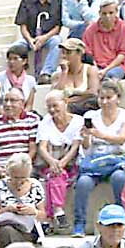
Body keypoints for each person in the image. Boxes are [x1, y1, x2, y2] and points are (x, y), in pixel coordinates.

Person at [75, 80, 125, 236]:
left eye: (109, 97)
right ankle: (79, 224)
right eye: (101, 98)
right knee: (83, 182)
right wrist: (86, 137)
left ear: (118, 98)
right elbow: (87, 147)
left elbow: (122, 138)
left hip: (117, 161)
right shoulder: (90, 116)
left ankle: (122, 218)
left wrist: (99, 134)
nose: (104, 102)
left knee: (119, 178)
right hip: (95, 162)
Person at [37, 90, 83, 235]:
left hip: (71, 162)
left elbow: (75, 146)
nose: (52, 110)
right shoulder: (45, 122)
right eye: (49, 107)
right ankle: (58, 210)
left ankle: (49, 218)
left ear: (66, 102)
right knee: (55, 175)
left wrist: (62, 162)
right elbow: (42, 147)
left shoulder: (78, 121)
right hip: (51, 163)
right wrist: (53, 162)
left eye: (55, 106)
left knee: (55, 175)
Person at [0, 152, 46, 248]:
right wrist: (7, 209)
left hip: (27, 230)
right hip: (2, 227)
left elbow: (43, 215)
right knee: (7, 232)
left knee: (9, 236)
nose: (19, 181)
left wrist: (32, 211)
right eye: (15, 177)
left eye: (23, 178)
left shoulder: (35, 186)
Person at [16, 0, 63, 83]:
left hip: (48, 37)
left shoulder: (58, 1)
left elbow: (58, 26)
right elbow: (22, 25)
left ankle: (46, 73)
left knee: (57, 42)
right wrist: (30, 40)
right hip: (30, 38)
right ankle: (17, 75)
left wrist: (44, 38)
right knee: (16, 47)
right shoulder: (27, 1)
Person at [84, 0, 125, 84]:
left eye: (111, 13)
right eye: (104, 13)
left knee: (109, 77)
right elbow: (88, 53)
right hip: (96, 66)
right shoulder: (91, 29)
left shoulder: (124, 28)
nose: (107, 16)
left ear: (116, 12)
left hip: (117, 66)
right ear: (99, 13)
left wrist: (105, 70)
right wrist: (95, 69)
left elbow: (123, 55)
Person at [0, 44, 39, 117]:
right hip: (1, 116)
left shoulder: (30, 81)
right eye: (9, 59)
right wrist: (7, 115)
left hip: (22, 117)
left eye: (15, 59)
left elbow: (29, 105)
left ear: (24, 61)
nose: (11, 62)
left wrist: (21, 117)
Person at [54, 37, 100, 113]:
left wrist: (69, 100)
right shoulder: (59, 73)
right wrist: (64, 72)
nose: (64, 56)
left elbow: (93, 93)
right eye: (63, 52)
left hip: (86, 109)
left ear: (79, 53)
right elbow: (56, 95)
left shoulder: (90, 70)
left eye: (68, 52)